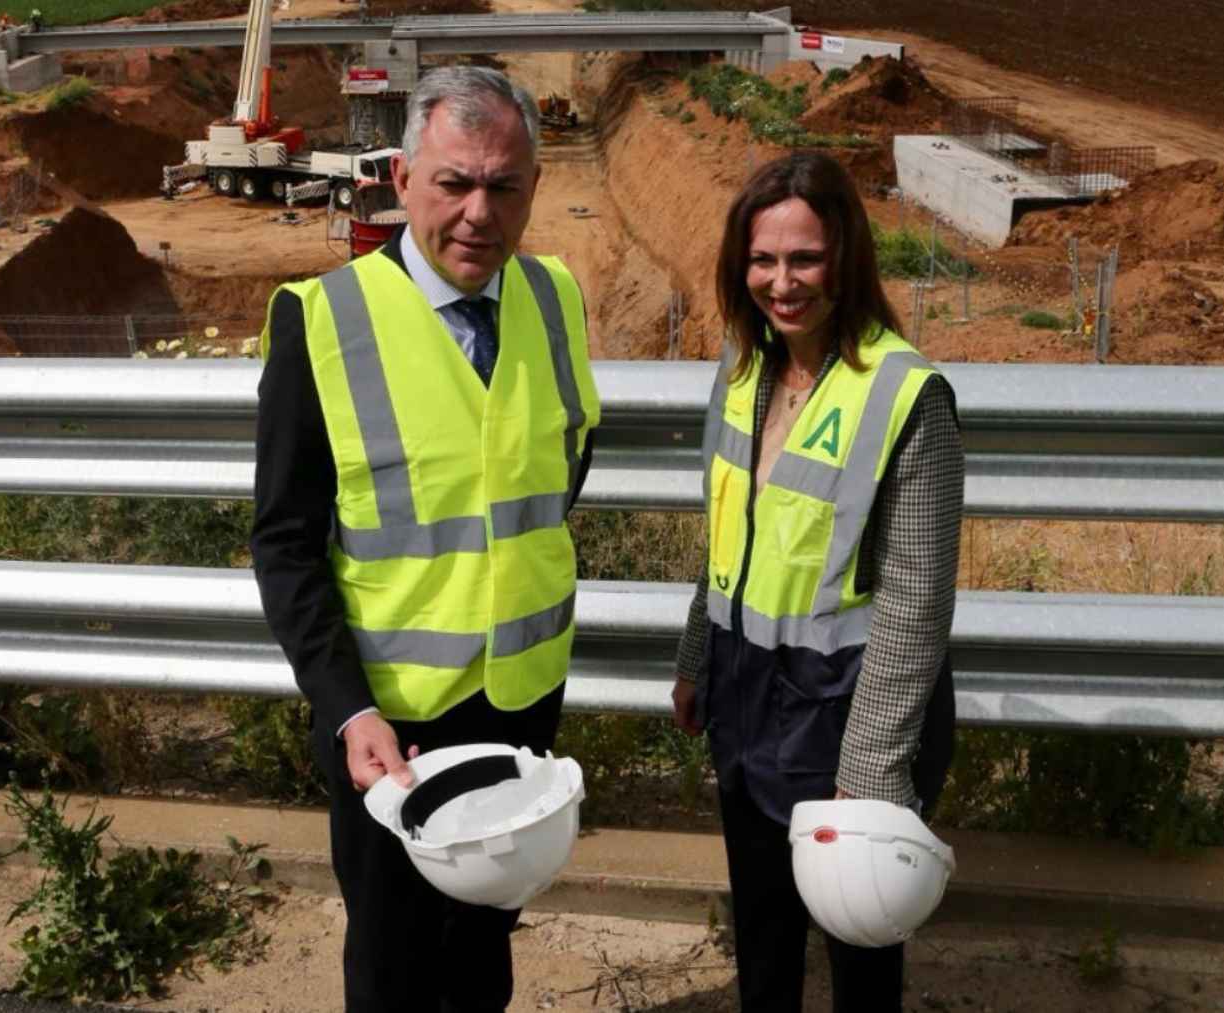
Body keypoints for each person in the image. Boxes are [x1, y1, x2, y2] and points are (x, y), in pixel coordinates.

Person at [250, 65, 599, 1013]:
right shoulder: (322, 321)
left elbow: (562, 467)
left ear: (533, 187)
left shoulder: (555, 298)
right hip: (387, 723)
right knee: (396, 958)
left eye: (505, 186)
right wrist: (344, 706)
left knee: (486, 937)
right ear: (401, 178)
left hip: (519, 698)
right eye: (454, 183)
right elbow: (284, 541)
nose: (479, 213)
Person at [671, 151, 964, 1013]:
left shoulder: (906, 394)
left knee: (858, 942)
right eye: (763, 260)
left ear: (847, 258)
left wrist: (872, 768)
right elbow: (731, 537)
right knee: (761, 934)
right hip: (747, 699)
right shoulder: (741, 371)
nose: (782, 281)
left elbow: (917, 602)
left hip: (849, 713)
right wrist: (697, 657)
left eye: (805, 258)